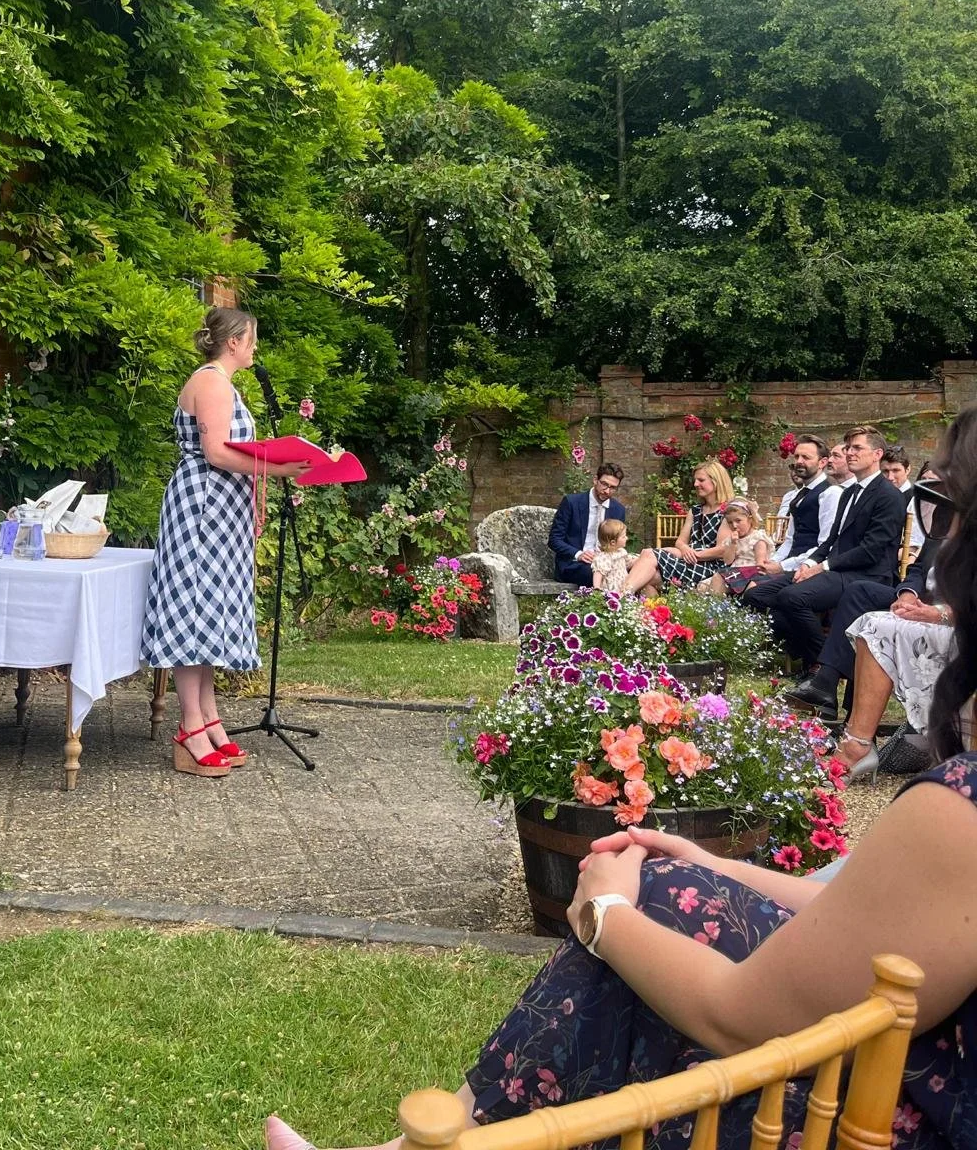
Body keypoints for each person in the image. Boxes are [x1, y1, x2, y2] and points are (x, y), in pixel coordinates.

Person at [264, 407, 977, 1150]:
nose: (933, 534)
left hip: (890, 1116)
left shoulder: (959, 812)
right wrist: (715, 861)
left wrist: (607, 918)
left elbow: (744, 1015)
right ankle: (431, 1142)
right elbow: (871, 906)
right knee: (673, 883)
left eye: (941, 505)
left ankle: (442, 1142)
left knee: (643, 930)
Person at [140, 308, 309, 777]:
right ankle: (190, 727)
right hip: (202, 509)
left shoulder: (224, 384)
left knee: (212, 611)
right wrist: (277, 470)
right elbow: (215, 452)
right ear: (233, 341)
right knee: (194, 611)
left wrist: (258, 492)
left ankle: (210, 718)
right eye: (252, 339)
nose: (255, 348)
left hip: (222, 509)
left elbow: (236, 452)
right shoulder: (212, 381)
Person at [742, 426, 906, 676]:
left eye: (857, 448)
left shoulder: (889, 495)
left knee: (791, 598)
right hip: (835, 569)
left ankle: (822, 667)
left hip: (865, 575)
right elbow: (830, 540)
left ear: (876, 454)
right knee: (758, 594)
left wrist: (823, 566)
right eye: (848, 447)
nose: (850, 452)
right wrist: (809, 563)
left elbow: (871, 550)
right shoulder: (849, 492)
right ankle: (818, 660)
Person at [784, 466, 941, 715]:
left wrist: (936, 609)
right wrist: (908, 594)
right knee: (860, 593)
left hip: (947, 609)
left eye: (938, 486)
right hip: (916, 598)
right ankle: (826, 681)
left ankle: (841, 705)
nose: (931, 495)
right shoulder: (940, 527)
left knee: (867, 617)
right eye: (927, 485)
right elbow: (919, 570)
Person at [621, 461, 734, 596]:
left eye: (701, 480)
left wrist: (693, 554)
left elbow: (722, 550)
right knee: (648, 577)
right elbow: (680, 542)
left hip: (709, 567)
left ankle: (619, 597)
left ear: (716, 482)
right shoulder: (696, 511)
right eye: (696, 480)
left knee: (647, 554)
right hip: (689, 562)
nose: (696, 484)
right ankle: (646, 612)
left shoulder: (727, 511)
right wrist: (685, 550)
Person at [758, 434, 840, 576]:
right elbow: (790, 539)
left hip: (809, 569)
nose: (799, 462)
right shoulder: (798, 494)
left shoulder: (831, 493)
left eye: (806, 458)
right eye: (797, 457)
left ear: (822, 462)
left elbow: (825, 544)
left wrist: (783, 566)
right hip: (789, 564)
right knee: (728, 578)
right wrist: (773, 562)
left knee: (753, 590)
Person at [548, 464, 626, 586]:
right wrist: (579, 554)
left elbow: (617, 542)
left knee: (639, 570)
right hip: (574, 564)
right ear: (595, 480)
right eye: (604, 484)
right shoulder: (571, 502)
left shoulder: (618, 510)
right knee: (596, 574)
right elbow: (554, 540)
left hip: (607, 561)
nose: (607, 491)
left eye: (613, 488)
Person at [700, 499, 773, 597]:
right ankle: (714, 606)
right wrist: (733, 544)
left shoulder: (757, 538)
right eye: (730, 522)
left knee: (719, 581)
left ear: (750, 520)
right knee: (702, 586)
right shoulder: (731, 540)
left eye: (738, 521)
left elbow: (760, 563)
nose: (734, 526)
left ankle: (718, 604)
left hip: (750, 572)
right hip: (733, 571)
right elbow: (728, 561)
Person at [590, 517, 635, 593]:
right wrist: (597, 587)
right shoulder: (603, 557)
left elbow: (628, 562)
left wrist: (641, 559)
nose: (627, 538)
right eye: (623, 536)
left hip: (622, 584)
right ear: (613, 542)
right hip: (611, 589)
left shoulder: (621, 551)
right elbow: (598, 572)